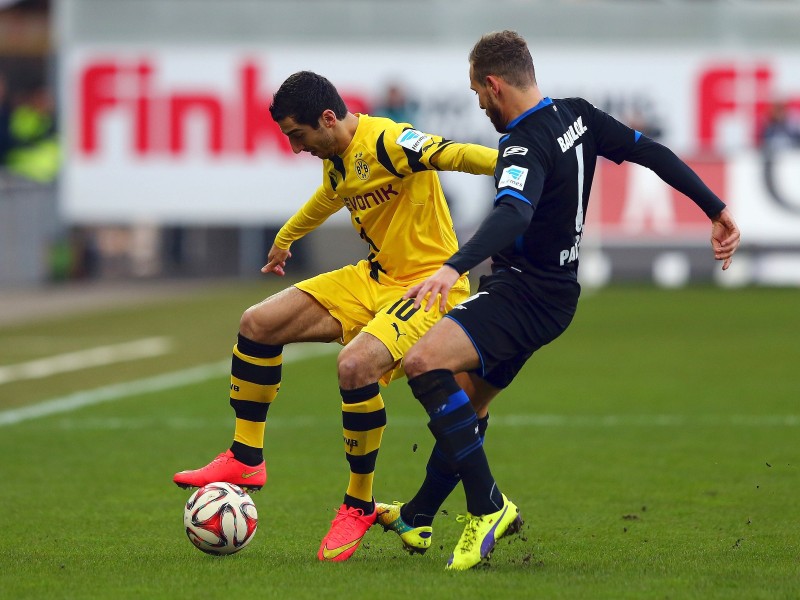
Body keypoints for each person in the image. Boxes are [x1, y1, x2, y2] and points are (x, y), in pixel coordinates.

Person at [376, 30, 741, 571]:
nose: (479, 104)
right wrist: (715, 208)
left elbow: (515, 212)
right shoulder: (580, 115)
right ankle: (419, 514)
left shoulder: (522, 143)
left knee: (423, 363)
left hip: (521, 293)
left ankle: (488, 507)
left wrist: (454, 264)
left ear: (494, 85)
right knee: (466, 403)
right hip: (554, 295)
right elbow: (652, 153)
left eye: (477, 92)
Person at [172, 71, 498, 562]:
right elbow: (329, 198)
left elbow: (454, 153)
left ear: (327, 118)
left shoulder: (389, 140)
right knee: (257, 323)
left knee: (354, 366)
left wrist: (521, 162)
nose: (295, 146)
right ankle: (245, 458)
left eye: (297, 135)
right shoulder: (338, 161)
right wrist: (286, 237)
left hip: (431, 286)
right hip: (375, 278)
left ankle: (358, 503)